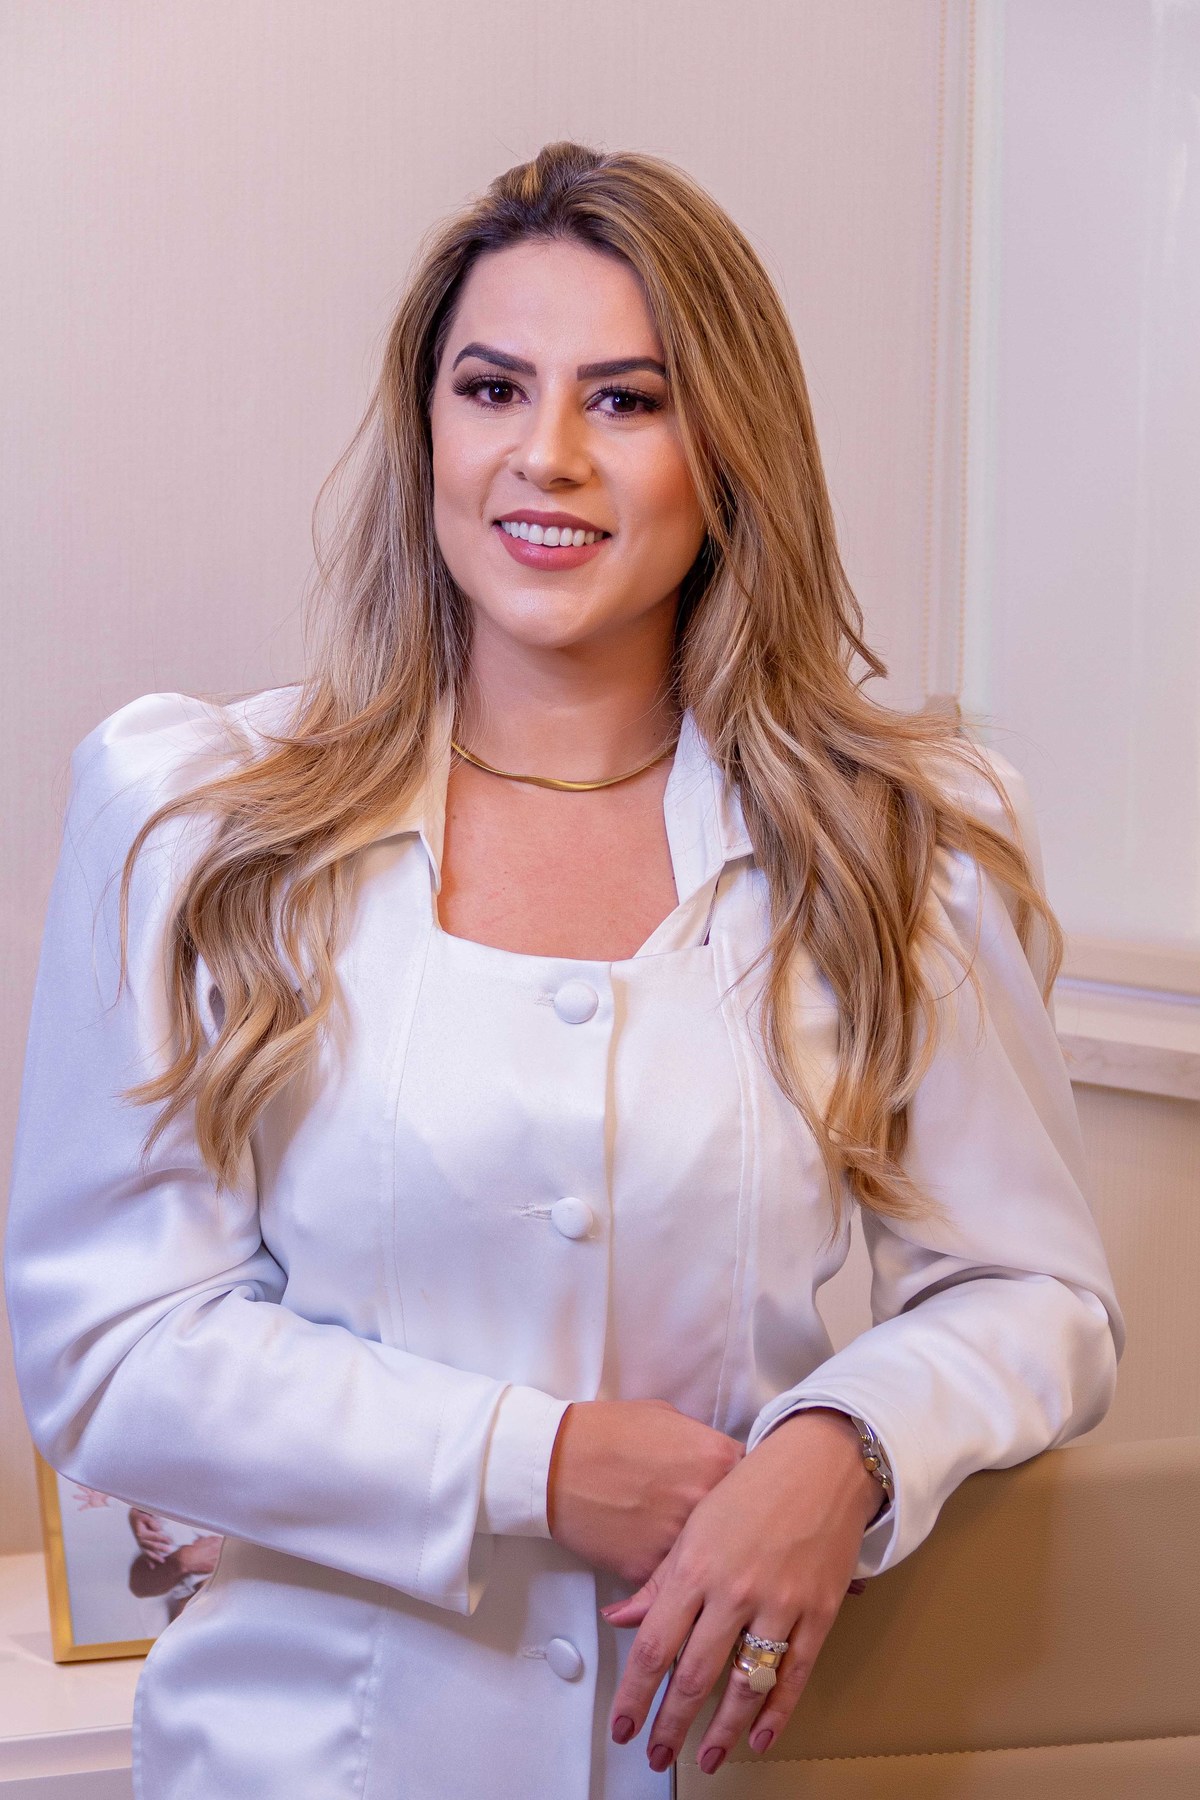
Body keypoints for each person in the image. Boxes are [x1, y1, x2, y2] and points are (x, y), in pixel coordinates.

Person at [3, 141, 1122, 1798]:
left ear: (727, 450)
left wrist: (845, 1448)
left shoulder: (892, 845)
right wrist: (540, 1464)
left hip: (730, 1761)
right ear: (429, 432)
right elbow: (112, 1352)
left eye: (627, 400)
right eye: (493, 388)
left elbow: (1034, 1295)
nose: (546, 454)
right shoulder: (201, 820)